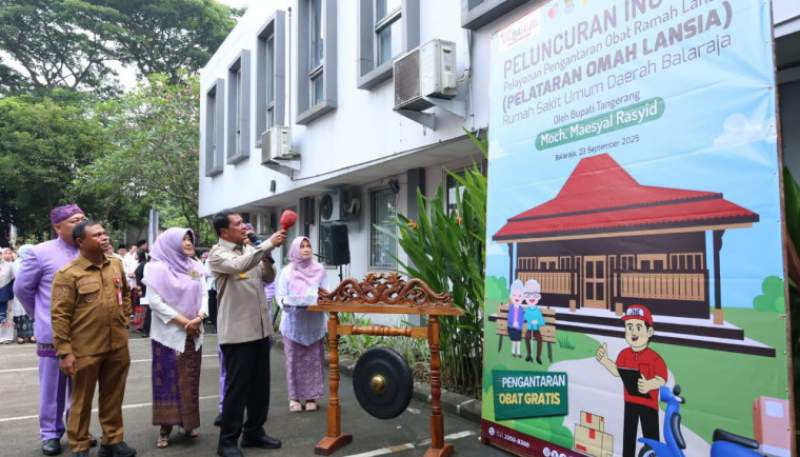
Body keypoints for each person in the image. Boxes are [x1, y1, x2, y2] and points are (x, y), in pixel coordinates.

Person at [13, 204, 96, 456]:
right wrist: (39, 315)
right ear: (57, 227)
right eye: (74, 221)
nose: (80, 223)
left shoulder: (90, 250)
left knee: (81, 387)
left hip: (87, 333)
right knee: (52, 387)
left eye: (83, 219)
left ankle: (78, 429)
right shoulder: (40, 253)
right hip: (54, 334)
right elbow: (22, 290)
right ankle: (50, 434)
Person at [51, 220, 136, 457]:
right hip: (85, 349)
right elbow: (60, 316)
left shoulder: (116, 266)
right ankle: (79, 446)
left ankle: (112, 441)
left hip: (117, 345)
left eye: (104, 233)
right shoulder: (68, 274)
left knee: (113, 396)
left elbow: (126, 294)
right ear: (81, 242)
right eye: (97, 235)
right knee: (81, 401)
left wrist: (124, 318)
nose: (104, 237)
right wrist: (65, 351)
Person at [207, 210, 285, 457]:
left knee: (260, 388)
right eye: (238, 223)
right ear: (223, 231)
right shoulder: (218, 254)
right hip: (238, 334)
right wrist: (267, 244)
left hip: (260, 330)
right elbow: (239, 266)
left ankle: (254, 432)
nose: (244, 227)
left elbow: (268, 277)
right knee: (236, 390)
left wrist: (267, 255)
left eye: (243, 223)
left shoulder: (249, 250)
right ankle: (227, 442)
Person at [142, 228, 207, 449]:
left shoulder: (195, 266)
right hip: (168, 336)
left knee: (190, 379)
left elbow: (205, 293)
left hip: (193, 332)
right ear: (171, 244)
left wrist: (199, 317)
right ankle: (165, 428)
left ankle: (188, 424)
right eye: (184, 240)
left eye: (190, 238)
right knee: (167, 381)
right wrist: (184, 323)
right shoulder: (156, 268)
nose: (189, 243)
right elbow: (155, 302)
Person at [595, 304, 668, 457]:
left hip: (649, 405)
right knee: (628, 436)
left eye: (638, 327)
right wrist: (605, 361)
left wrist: (649, 385)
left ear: (649, 332)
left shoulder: (654, 357)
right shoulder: (624, 354)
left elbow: (661, 379)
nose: (633, 332)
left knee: (651, 438)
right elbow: (617, 371)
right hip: (630, 401)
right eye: (629, 327)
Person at [276, 236, 328, 412]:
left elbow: (326, 294)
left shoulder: (320, 270)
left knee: (314, 361)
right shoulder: (287, 271)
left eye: (308, 246)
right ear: (294, 250)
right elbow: (280, 295)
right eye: (302, 246)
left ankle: (312, 397)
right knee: (294, 362)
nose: (306, 249)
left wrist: (319, 301)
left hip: (314, 324)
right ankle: (295, 397)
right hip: (293, 325)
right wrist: (287, 303)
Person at [12, 245, 35, 344]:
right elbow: (18, 275)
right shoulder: (17, 262)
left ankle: (32, 335)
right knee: (20, 315)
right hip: (20, 291)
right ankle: (21, 336)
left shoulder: (34, 261)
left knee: (31, 313)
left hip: (32, 291)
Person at [522, 279, 545, 364]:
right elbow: (524, 318)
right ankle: (529, 354)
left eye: (534, 295)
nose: (531, 297)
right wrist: (528, 321)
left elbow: (542, 322)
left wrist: (537, 323)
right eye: (528, 295)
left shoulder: (538, 311)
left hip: (536, 330)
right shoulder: (527, 310)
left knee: (540, 339)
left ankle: (538, 356)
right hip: (529, 330)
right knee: (526, 338)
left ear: (538, 297)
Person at [134, 250, 151, 337]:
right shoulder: (144, 265)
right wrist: (139, 287)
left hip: (144, 289)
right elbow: (138, 276)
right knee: (144, 309)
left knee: (143, 308)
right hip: (144, 290)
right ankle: (140, 326)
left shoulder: (143, 264)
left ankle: (140, 326)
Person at [506, 279, 525, 358]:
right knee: (514, 340)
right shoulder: (511, 308)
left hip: (519, 328)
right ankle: (513, 352)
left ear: (522, 298)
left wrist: (519, 324)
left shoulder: (521, 309)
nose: (517, 298)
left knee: (519, 340)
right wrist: (513, 323)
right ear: (511, 296)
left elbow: (522, 319)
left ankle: (519, 352)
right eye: (514, 295)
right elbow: (509, 318)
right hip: (511, 327)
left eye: (519, 296)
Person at [0, 248, 15, 344]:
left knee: (5, 316)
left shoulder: (9, 266)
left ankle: (6, 337)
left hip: (5, 294)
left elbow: (13, 280)